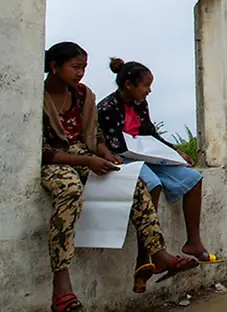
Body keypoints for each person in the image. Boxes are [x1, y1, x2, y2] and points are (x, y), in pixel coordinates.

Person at [41, 42, 199, 312]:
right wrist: (87, 160)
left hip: (84, 155)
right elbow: (42, 151)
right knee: (69, 190)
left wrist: (103, 154)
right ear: (54, 67)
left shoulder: (81, 95)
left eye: (84, 68)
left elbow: (96, 136)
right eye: (75, 67)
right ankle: (62, 283)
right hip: (55, 161)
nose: (80, 73)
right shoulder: (36, 97)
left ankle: (158, 254)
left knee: (133, 183)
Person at [97, 58, 223, 271]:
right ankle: (147, 252)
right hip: (122, 157)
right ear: (129, 85)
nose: (149, 91)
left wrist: (175, 151)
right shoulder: (108, 108)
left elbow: (150, 133)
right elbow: (114, 144)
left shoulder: (139, 104)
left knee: (192, 178)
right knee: (152, 183)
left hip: (144, 154)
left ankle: (193, 241)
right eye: (146, 86)